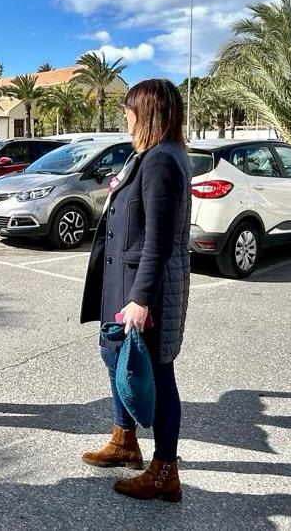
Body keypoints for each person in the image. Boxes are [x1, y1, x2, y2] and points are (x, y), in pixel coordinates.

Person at [80, 79, 191, 501]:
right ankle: (125, 441)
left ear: (146, 112)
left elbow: (160, 240)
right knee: (118, 361)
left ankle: (165, 470)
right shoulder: (146, 157)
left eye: (129, 110)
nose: (124, 117)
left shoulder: (162, 160)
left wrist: (141, 299)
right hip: (124, 284)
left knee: (157, 374)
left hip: (145, 290)